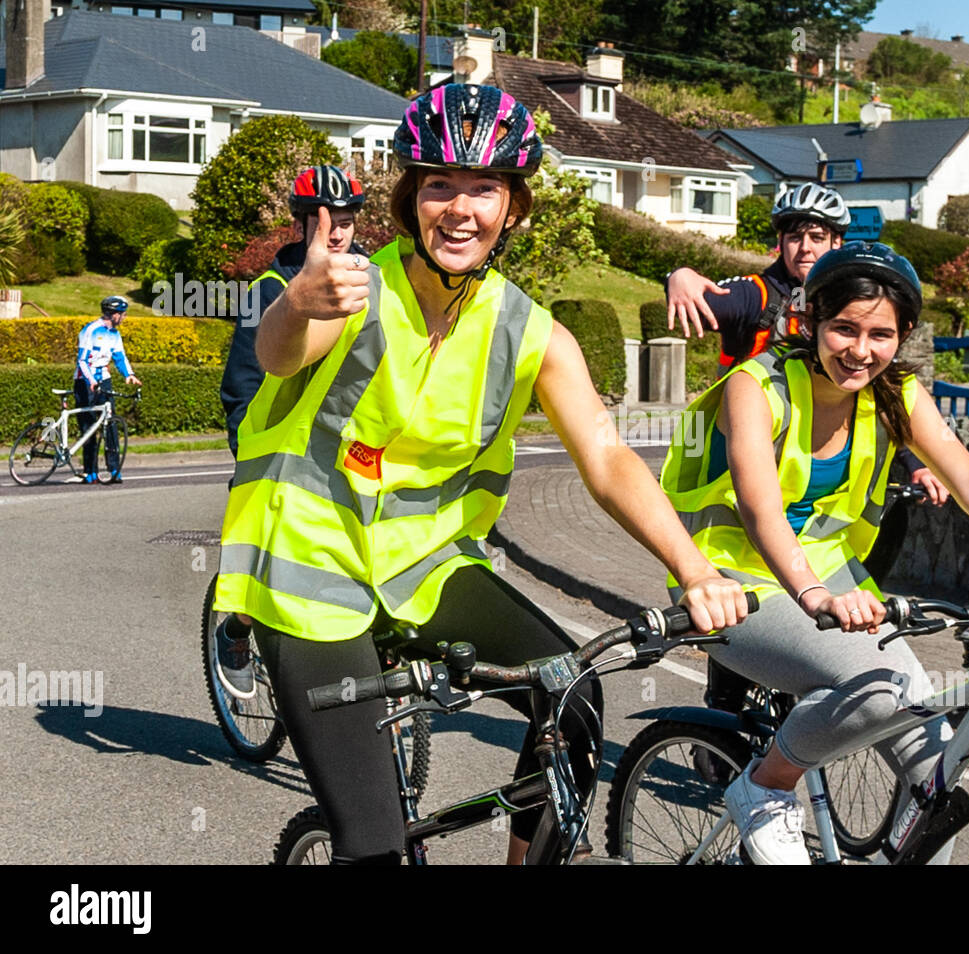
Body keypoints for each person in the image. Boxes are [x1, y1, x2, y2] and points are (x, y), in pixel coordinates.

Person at [213, 83, 749, 864]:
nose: (460, 208)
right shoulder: (351, 288)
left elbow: (604, 457)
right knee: (371, 842)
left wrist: (694, 569)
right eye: (439, 184)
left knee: (572, 695)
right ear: (409, 199)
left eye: (484, 188)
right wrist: (296, 301)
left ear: (513, 207)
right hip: (306, 575)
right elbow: (277, 355)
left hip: (426, 569)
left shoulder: (531, 330)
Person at [659, 240, 969, 864]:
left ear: (902, 335)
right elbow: (758, 507)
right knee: (877, 691)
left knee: (937, 781)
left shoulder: (896, 393)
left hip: (831, 579)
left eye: (880, 334)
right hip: (728, 582)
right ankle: (764, 787)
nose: (859, 350)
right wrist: (815, 596)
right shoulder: (757, 384)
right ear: (812, 322)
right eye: (843, 329)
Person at [665, 183, 949, 722]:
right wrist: (676, 276)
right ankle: (725, 708)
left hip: (814, 486)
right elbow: (698, 293)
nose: (805, 247)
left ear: (838, 241)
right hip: (751, 454)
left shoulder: (858, 294)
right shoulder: (757, 293)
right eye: (793, 236)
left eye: (818, 236)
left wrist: (914, 462)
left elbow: (883, 406)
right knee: (750, 604)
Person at [215, 164, 368, 701]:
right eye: (326, 219)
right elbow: (241, 386)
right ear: (301, 224)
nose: (339, 230)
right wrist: (255, 457)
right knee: (264, 566)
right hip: (278, 452)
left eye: (347, 219)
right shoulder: (271, 289)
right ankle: (235, 631)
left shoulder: (367, 281)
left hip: (348, 451)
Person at [74, 296, 142, 484]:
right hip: (85, 381)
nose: (125, 318)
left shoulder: (115, 334)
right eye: (123, 314)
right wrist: (90, 381)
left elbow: (120, 356)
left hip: (104, 380)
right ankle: (90, 471)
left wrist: (129, 374)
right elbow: (82, 360)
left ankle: (113, 469)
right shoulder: (91, 330)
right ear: (114, 314)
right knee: (89, 428)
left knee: (110, 424)